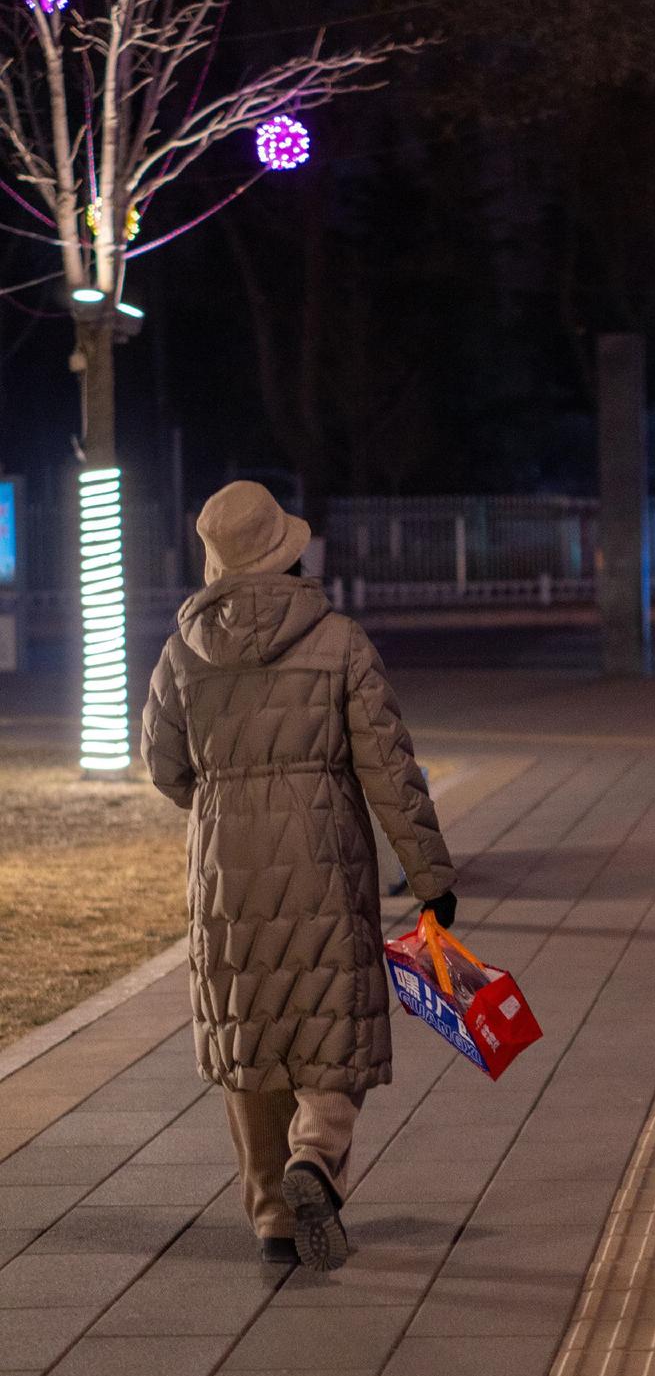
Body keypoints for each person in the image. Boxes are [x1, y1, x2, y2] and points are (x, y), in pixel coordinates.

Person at [142, 480, 456, 1272]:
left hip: (226, 873)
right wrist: (430, 877)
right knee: (331, 1024)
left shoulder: (181, 652)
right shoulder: (339, 641)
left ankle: (273, 1220)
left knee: (248, 1035)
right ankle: (314, 1157)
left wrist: (216, 803)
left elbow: (163, 764)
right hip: (324, 861)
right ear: (286, 549)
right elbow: (390, 768)